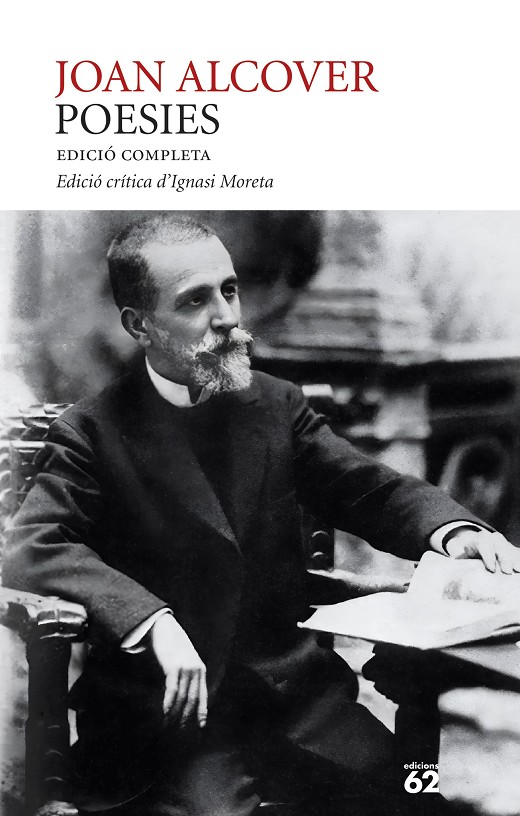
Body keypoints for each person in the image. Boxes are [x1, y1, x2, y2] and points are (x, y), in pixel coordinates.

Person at [4, 216, 520, 816]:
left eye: (229, 289)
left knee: (418, 796)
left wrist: (454, 531)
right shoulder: (94, 432)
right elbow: (35, 542)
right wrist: (151, 621)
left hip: (301, 706)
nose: (226, 316)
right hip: (176, 728)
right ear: (140, 325)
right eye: (194, 300)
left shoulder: (276, 405)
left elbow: (367, 487)